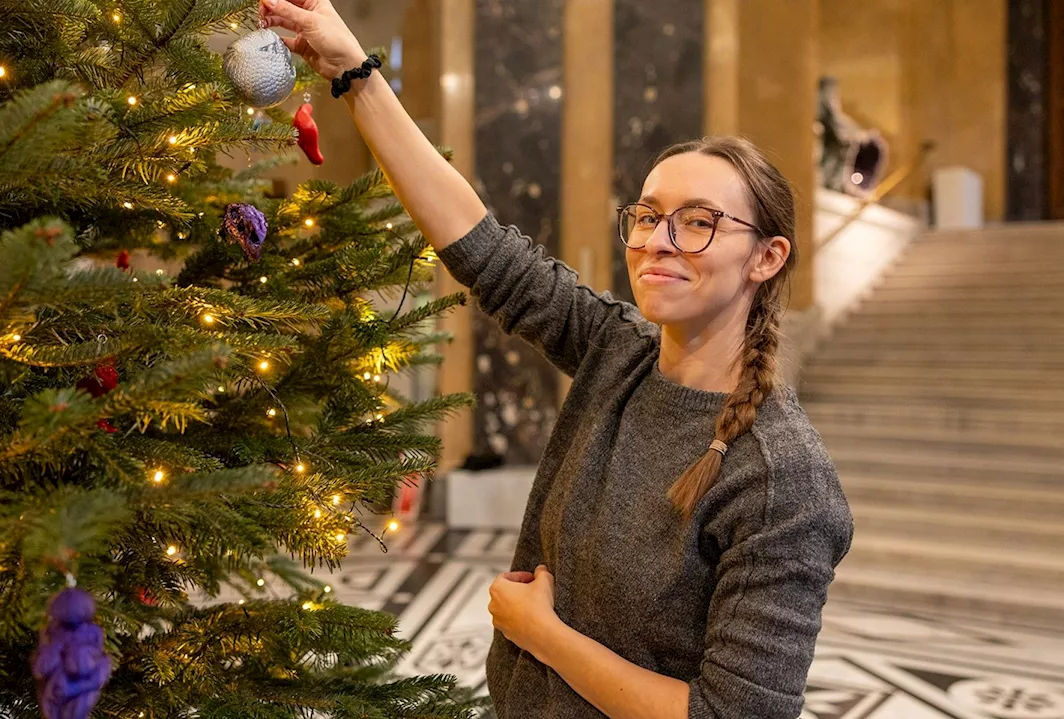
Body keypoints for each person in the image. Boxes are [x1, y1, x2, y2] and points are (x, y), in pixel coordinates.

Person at [258, 2, 854, 718]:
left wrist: (542, 633)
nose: (658, 239)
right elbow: (480, 245)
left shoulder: (781, 477)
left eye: (698, 221)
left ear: (768, 256)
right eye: (647, 214)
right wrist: (355, 73)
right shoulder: (620, 352)